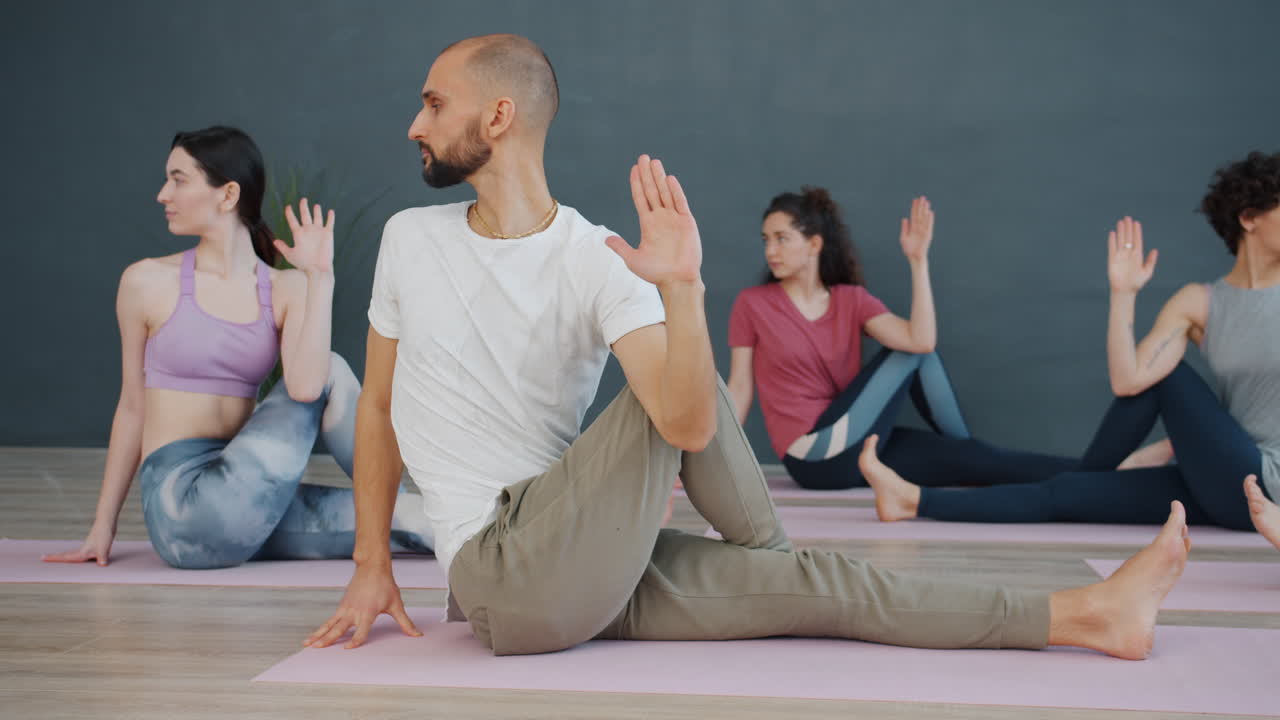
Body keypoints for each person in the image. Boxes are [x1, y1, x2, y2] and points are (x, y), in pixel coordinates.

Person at [306, 34, 1188, 661]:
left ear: (498, 115)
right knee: (678, 414)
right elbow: (379, 409)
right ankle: (769, 554)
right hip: (501, 572)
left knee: (830, 587)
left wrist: (680, 289)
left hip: (576, 561)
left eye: (433, 102)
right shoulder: (412, 240)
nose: (416, 124)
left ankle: (1087, 616)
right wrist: (371, 566)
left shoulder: (599, 257)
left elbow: (690, 420)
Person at [42, 126, 432, 570]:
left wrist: (319, 279)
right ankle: (392, 488)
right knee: (335, 366)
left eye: (178, 179)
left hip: (248, 502)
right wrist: (102, 525)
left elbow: (305, 385)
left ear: (227, 195)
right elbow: (132, 407)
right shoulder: (145, 282)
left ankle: (504, 545)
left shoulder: (285, 288)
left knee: (428, 521)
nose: (162, 194)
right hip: (183, 508)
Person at [861, 152, 1280, 532]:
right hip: (1229, 487)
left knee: (1166, 382)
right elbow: (1129, 382)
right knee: (1063, 497)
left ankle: (1086, 471)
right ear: (1249, 218)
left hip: (1269, 487)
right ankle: (912, 500)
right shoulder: (1200, 302)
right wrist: (1123, 294)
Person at [727, 188, 1075, 491]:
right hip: (810, 455)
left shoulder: (852, 300)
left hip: (855, 445)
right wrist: (709, 463)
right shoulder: (753, 304)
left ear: (814, 244)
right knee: (911, 354)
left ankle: (1095, 471)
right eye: (766, 240)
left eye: (781, 238)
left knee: (974, 460)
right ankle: (965, 441)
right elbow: (739, 388)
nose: (771, 249)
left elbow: (922, 339)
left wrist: (918, 261)